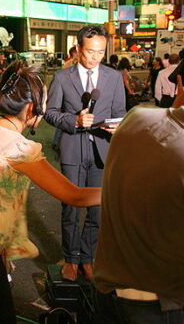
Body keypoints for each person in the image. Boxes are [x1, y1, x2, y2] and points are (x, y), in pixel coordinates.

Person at [0, 65, 101, 323]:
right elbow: (75, 196)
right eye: (44, 102)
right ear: (30, 108)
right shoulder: (20, 149)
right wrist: (121, 189)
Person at [94, 53, 184, 323]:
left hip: (107, 294)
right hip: (161, 309)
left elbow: (167, 133)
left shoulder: (136, 119)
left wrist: (178, 109)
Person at [44, 25, 126, 281]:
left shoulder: (113, 77)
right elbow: (51, 112)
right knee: (70, 208)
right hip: (72, 149)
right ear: (79, 49)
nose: (95, 57)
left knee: (98, 210)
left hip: (103, 150)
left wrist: (118, 126)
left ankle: (87, 257)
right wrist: (75, 121)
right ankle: (70, 258)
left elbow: (121, 112)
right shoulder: (61, 77)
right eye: (90, 52)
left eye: (101, 53)